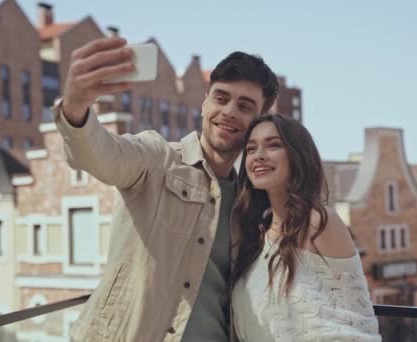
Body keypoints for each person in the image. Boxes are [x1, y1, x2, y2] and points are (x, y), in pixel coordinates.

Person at [53, 36, 279, 341]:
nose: (229, 111)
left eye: (245, 105)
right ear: (204, 104)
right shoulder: (157, 158)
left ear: (259, 120)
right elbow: (99, 155)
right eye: (221, 98)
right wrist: (76, 107)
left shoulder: (252, 203)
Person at [231, 114, 381, 341]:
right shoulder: (256, 236)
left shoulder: (318, 222)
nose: (259, 156)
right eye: (251, 149)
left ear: (296, 155)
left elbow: (357, 322)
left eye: (273, 145)